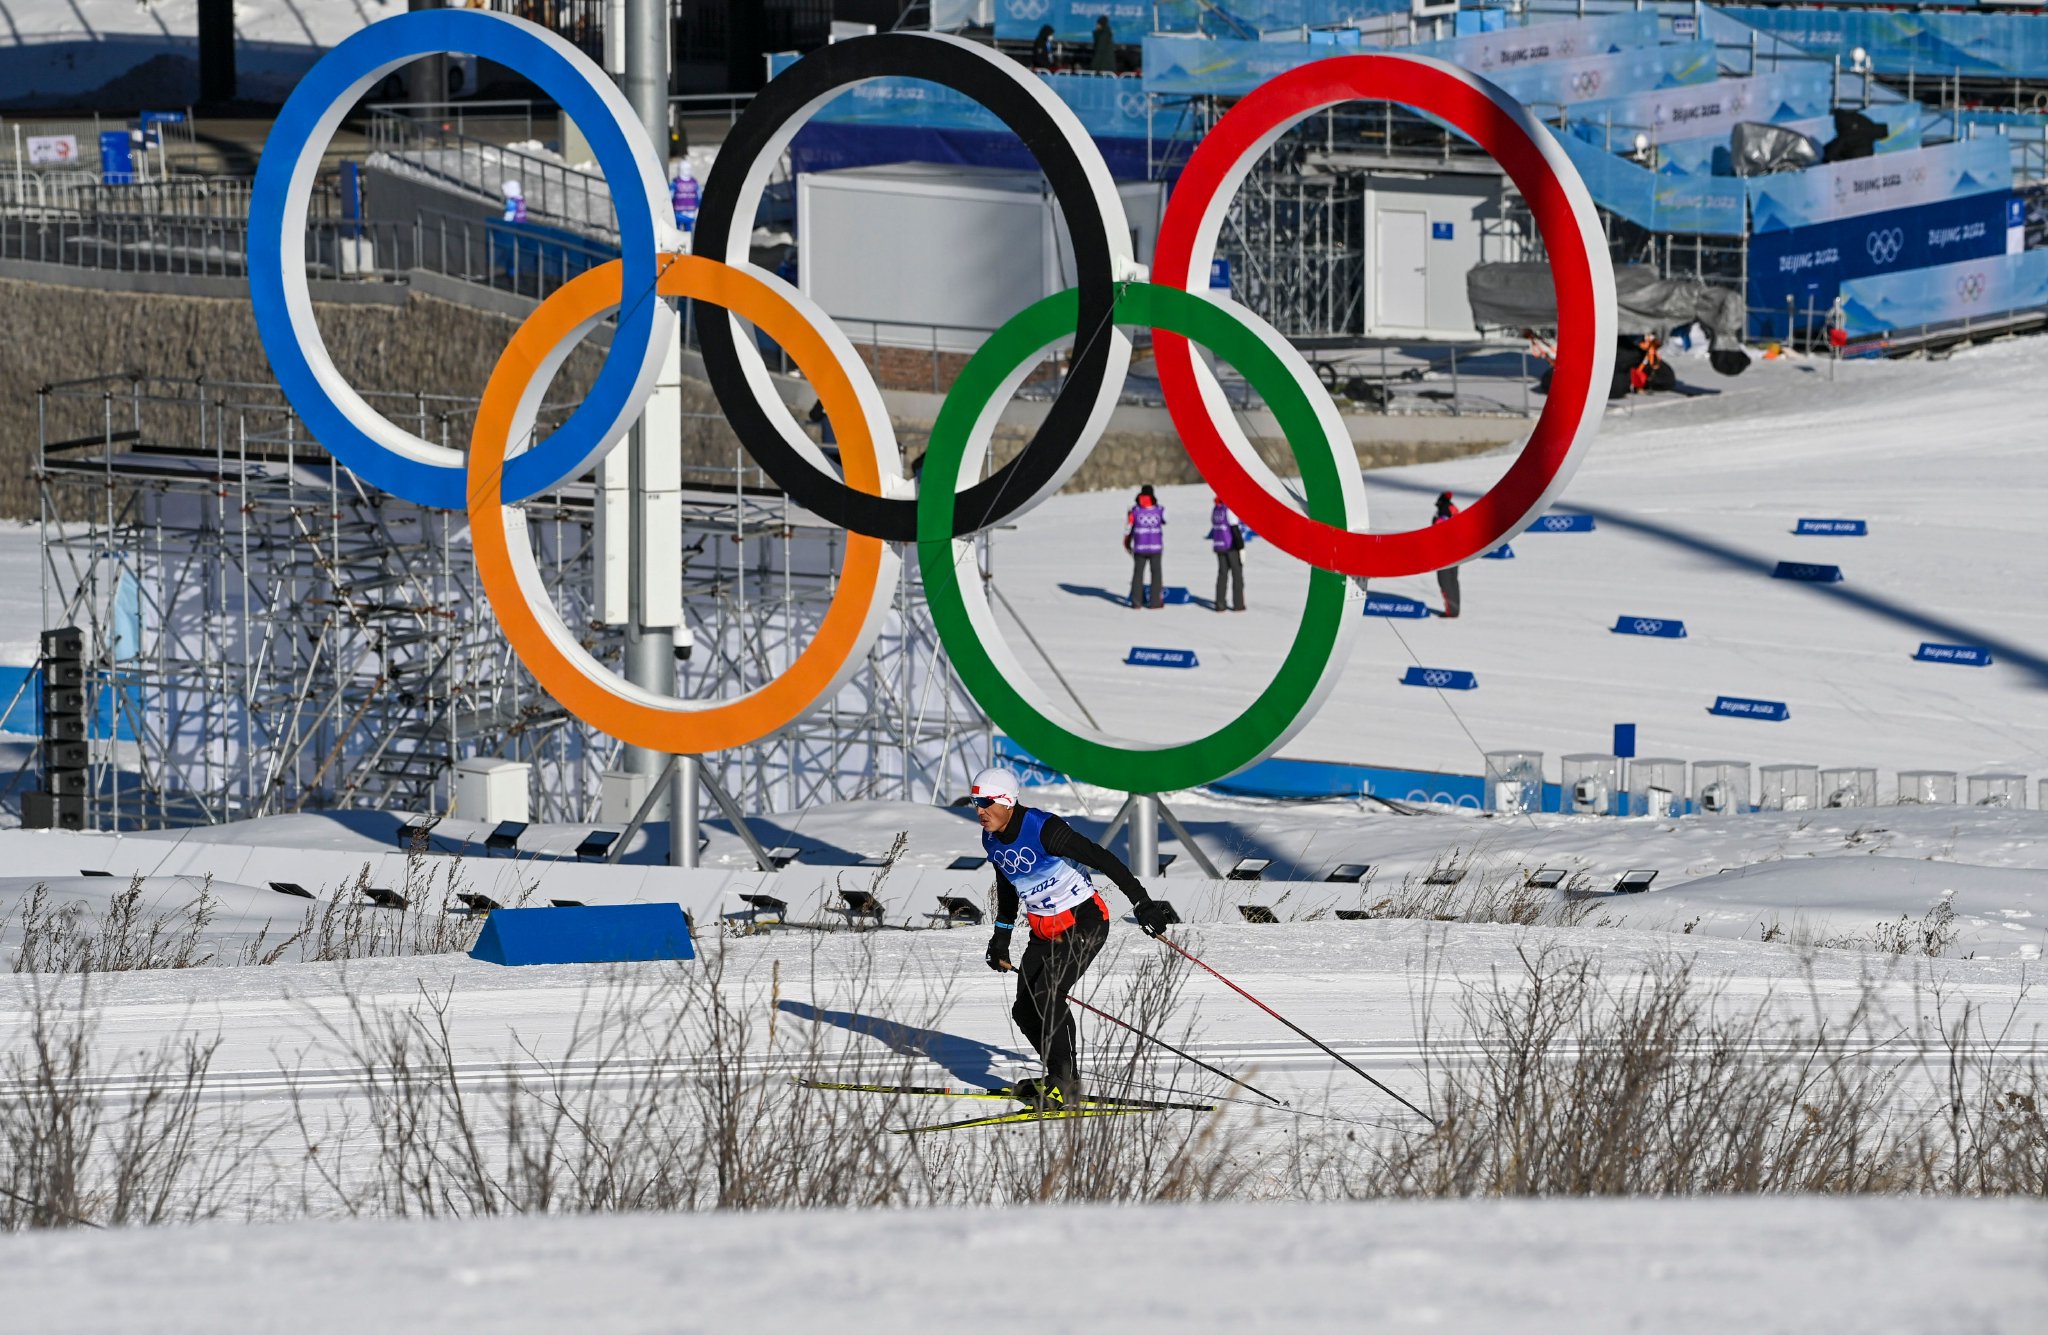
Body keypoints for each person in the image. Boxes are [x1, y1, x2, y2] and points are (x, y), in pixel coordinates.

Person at [972, 766, 1178, 1110]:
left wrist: (1142, 902)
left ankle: (1065, 1084)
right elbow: (1008, 885)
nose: (979, 810)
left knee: (1048, 994)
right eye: (975, 803)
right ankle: (1057, 1075)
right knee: (1025, 1009)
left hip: (1084, 922)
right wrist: (1001, 937)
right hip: (1043, 930)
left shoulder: (1044, 829)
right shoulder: (991, 839)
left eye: (986, 802)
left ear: (1007, 802)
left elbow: (1103, 858)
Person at [1125, 484, 1165, 608]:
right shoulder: (1160, 509)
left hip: (1139, 547)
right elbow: (1166, 520)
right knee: (1156, 574)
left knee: (1138, 574)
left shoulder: (1134, 510)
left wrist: (1126, 542)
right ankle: (1155, 602)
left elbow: (1127, 528)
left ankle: (1136, 602)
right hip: (1155, 547)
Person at [1209, 495, 1245, 612]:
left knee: (1222, 575)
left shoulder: (1216, 509)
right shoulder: (1228, 509)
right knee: (1237, 575)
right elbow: (1235, 529)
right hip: (1230, 546)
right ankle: (1238, 604)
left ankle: (1220, 604)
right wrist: (1241, 547)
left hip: (1219, 545)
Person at [1432, 491, 1461, 618]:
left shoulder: (1443, 511)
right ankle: (1455, 609)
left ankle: (1451, 611)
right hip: (1456, 551)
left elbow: (1439, 530)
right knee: (1453, 581)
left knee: (1445, 581)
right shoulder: (1454, 510)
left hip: (1444, 553)